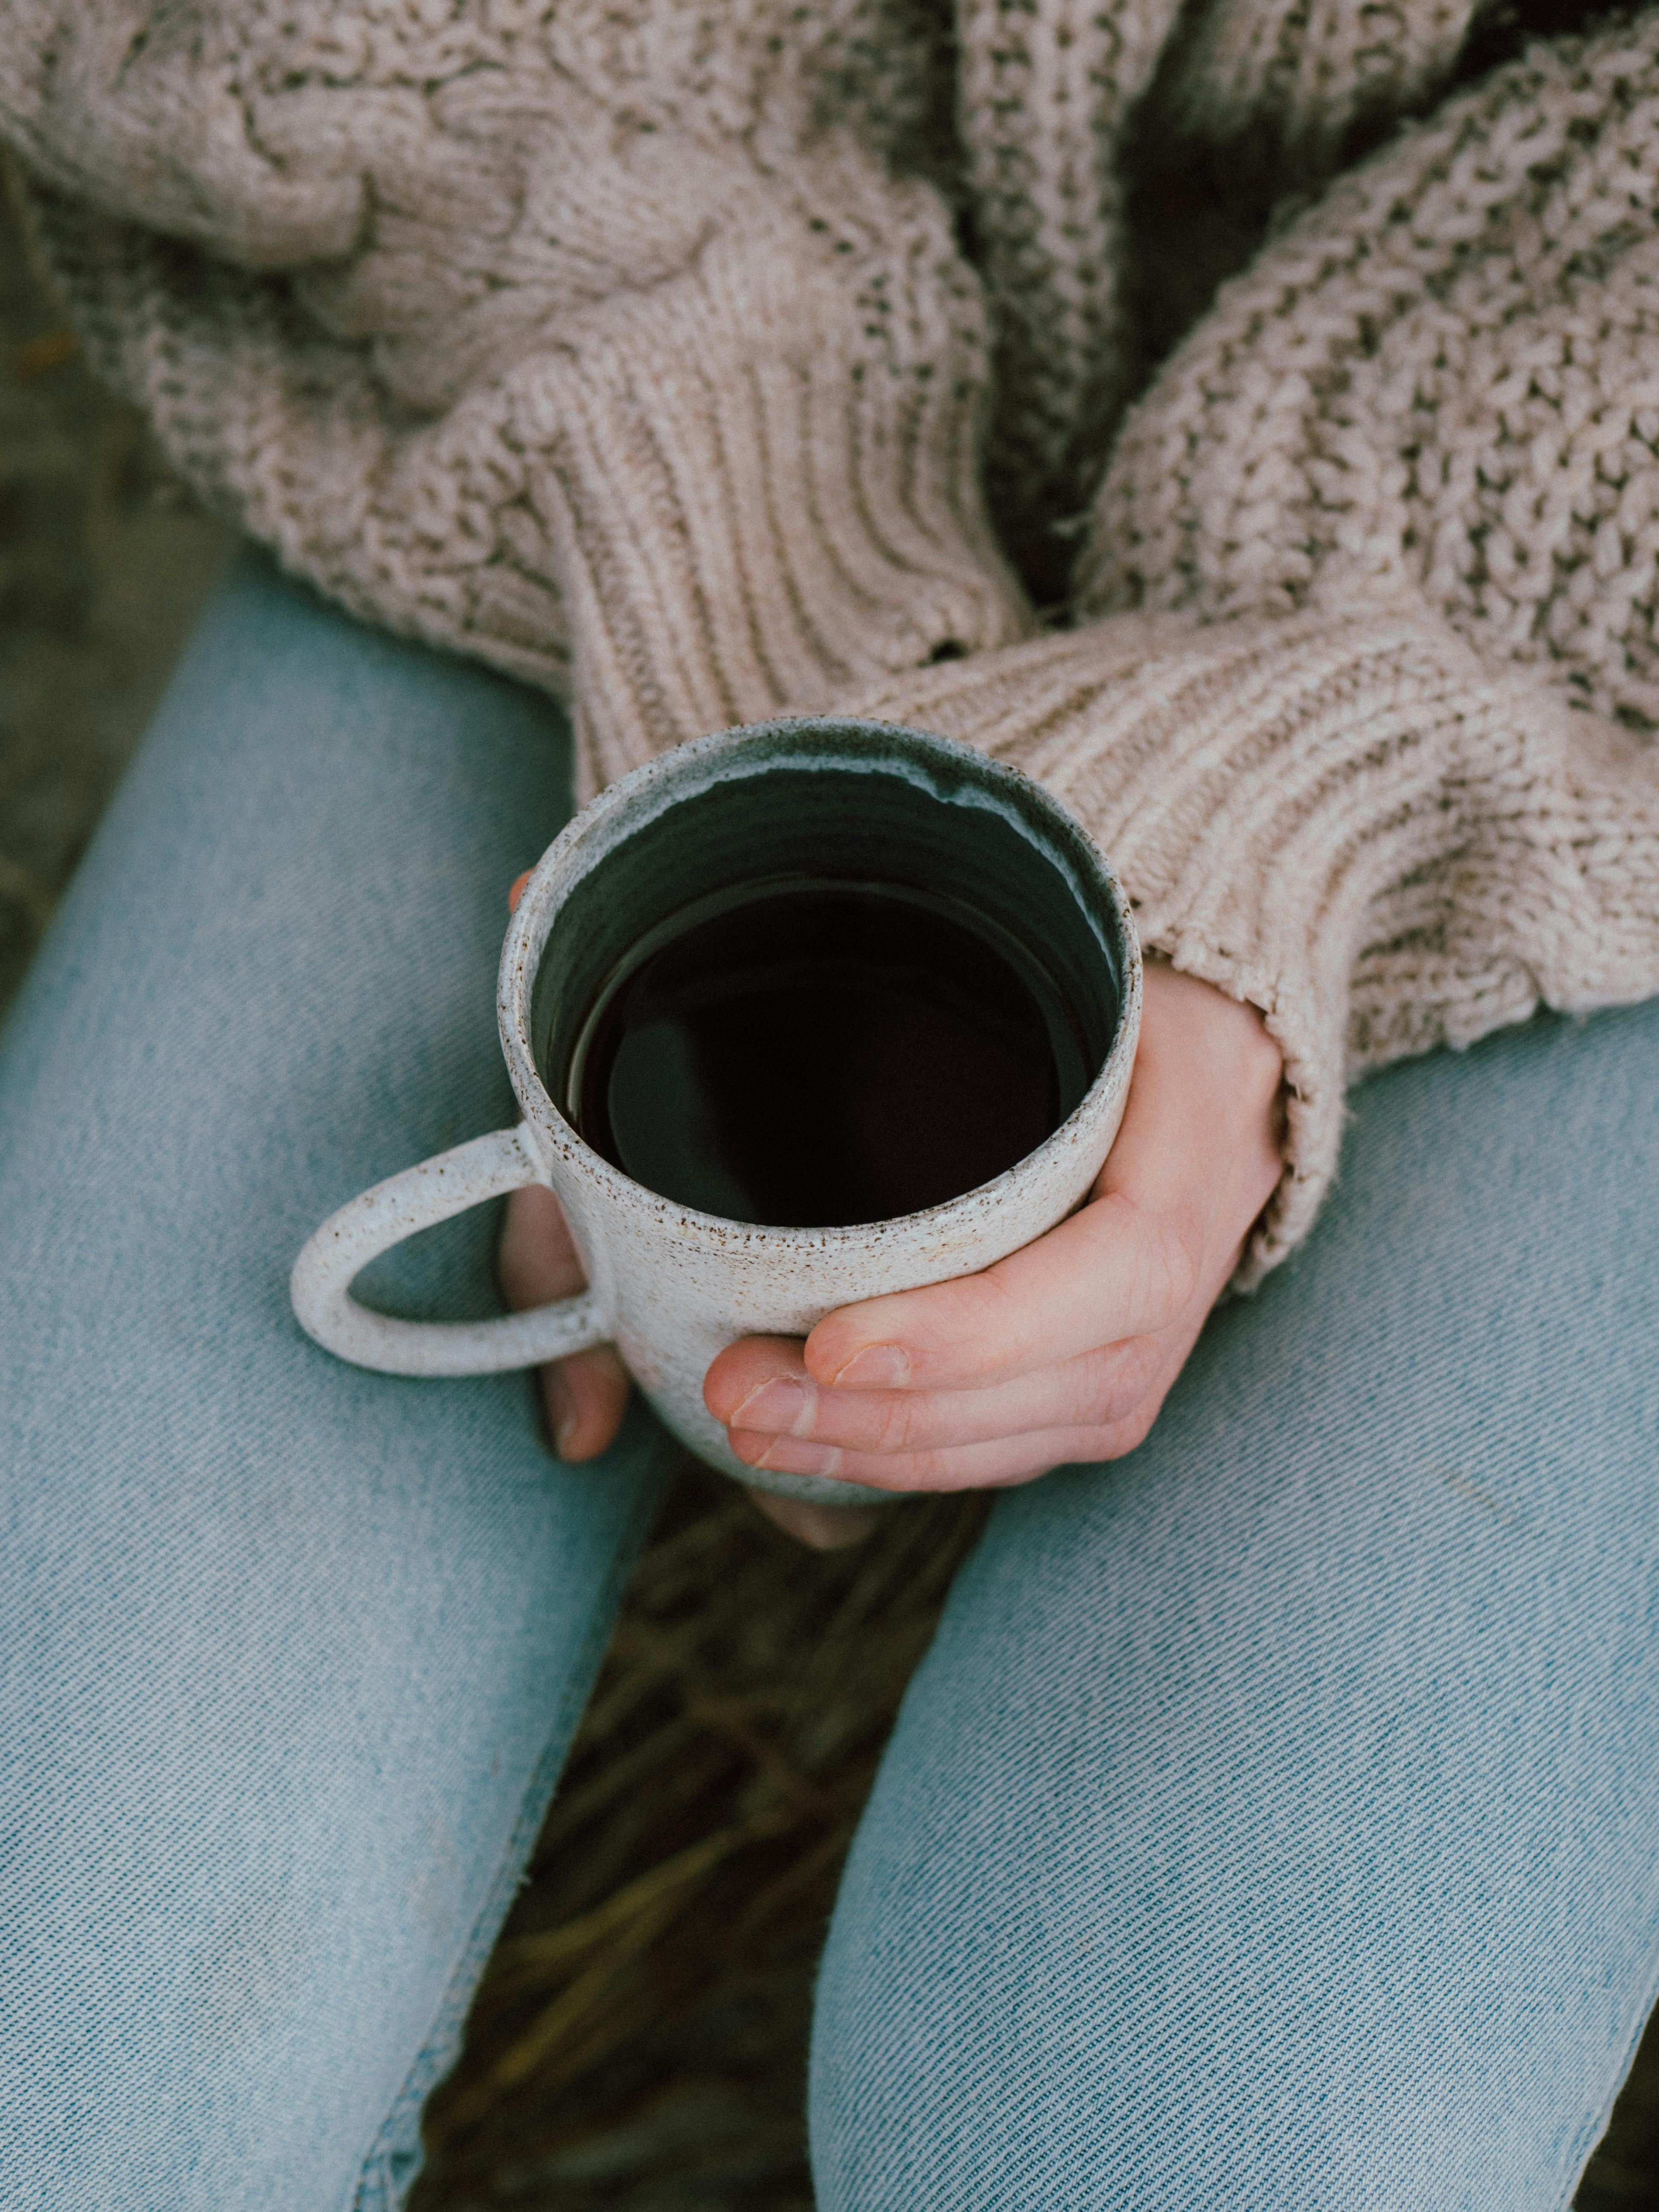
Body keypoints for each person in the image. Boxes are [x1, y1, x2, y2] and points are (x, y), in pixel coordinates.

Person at [1, 2, 1656, 2205]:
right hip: (574, 267)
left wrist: (1307, 752)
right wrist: (733, 530)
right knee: (63, 2023)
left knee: (1193, 2138)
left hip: (1565, 594)